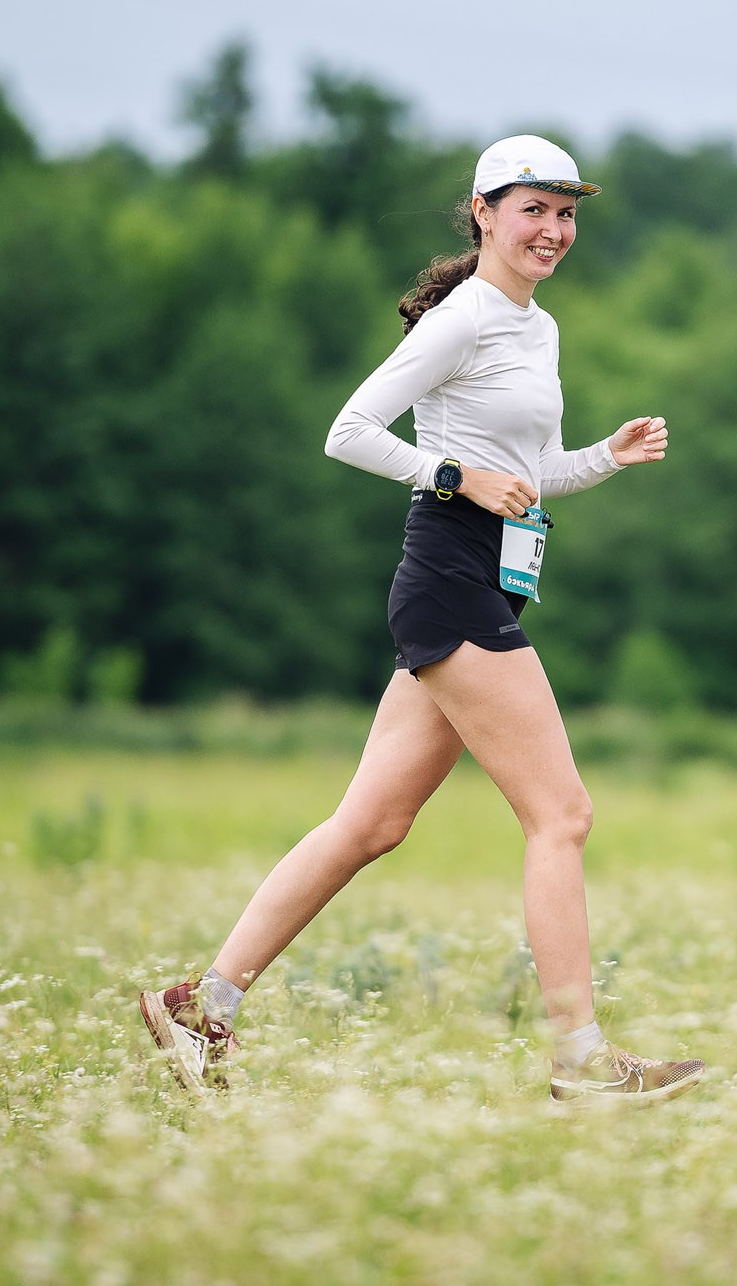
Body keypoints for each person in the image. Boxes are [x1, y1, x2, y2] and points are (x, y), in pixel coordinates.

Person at [137, 135, 706, 1106]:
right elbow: (350, 431)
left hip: (485, 576)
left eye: (567, 213)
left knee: (372, 822)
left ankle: (200, 1005)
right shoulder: (464, 320)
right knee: (561, 815)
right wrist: (451, 475)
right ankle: (578, 1058)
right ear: (482, 212)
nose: (554, 229)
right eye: (534, 209)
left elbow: (526, 479)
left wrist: (604, 456)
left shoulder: (537, 328)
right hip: (450, 581)